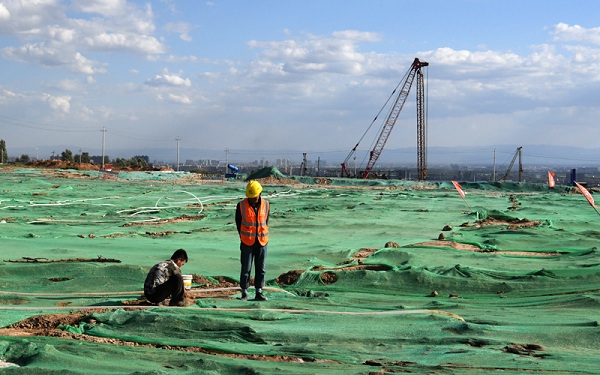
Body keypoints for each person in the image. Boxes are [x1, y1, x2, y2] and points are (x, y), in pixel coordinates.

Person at [236, 180, 270, 301]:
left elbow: (266, 221)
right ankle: (244, 292)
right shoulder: (241, 205)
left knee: (261, 268)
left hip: (262, 241)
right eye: (250, 197)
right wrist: (243, 236)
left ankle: (259, 291)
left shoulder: (266, 204)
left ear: (260, 194)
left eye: (254, 197)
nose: (251, 199)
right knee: (246, 267)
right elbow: (238, 223)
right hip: (247, 241)